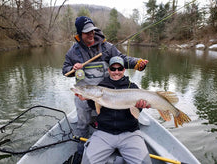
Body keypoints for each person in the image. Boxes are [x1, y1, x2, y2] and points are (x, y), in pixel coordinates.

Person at [62, 16, 148, 161]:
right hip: (83, 95)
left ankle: (102, 143)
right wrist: (72, 68)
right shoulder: (73, 52)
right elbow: (65, 70)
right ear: (79, 34)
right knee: (82, 125)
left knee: (102, 119)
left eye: (92, 31)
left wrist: (136, 63)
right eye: (87, 32)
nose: (91, 34)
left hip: (104, 92)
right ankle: (81, 150)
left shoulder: (106, 47)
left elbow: (121, 59)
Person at [79, 56, 152, 164]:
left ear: (124, 70)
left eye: (119, 69)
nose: (116, 72)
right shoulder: (101, 86)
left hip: (130, 133)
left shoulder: (132, 86)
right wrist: (88, 98)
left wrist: (140, 106)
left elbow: (137, 112)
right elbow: (95, 107)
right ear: (109, 70)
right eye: (113, 69)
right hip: (104, 132)